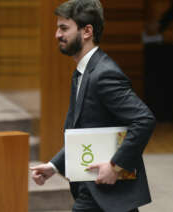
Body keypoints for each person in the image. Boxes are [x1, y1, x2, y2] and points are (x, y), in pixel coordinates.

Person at [30, 0, 156, 212]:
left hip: (103, 188)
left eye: (63, 28)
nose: (57, 35)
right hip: (99, 189)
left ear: (87, 31)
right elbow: (83, 132)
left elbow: (144, 119)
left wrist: (115, 166)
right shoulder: (83, 71)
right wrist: (54, 166)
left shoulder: (103, 74)